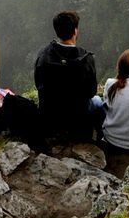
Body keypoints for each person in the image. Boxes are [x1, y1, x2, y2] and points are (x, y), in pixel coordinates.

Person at [33, 10, 100, 143]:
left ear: (57, 31)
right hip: (78, 122)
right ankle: (100, 136)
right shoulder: (86, 59)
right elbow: (91, 92)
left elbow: (38, 84)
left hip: (51, 118)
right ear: (75, 31)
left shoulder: (43, 56)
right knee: (97, 101)